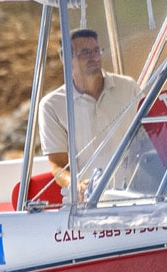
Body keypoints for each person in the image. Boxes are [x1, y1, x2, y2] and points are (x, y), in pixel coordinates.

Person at [40, 29, 144, 197]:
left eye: (96, 50)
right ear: (66, 59)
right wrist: (77, 186)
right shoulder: (52, 105)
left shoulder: (129, 87)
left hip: (135, 193)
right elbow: (58, 165)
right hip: (90, 201)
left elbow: (150, 138)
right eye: (85, 52)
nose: (94, 57)